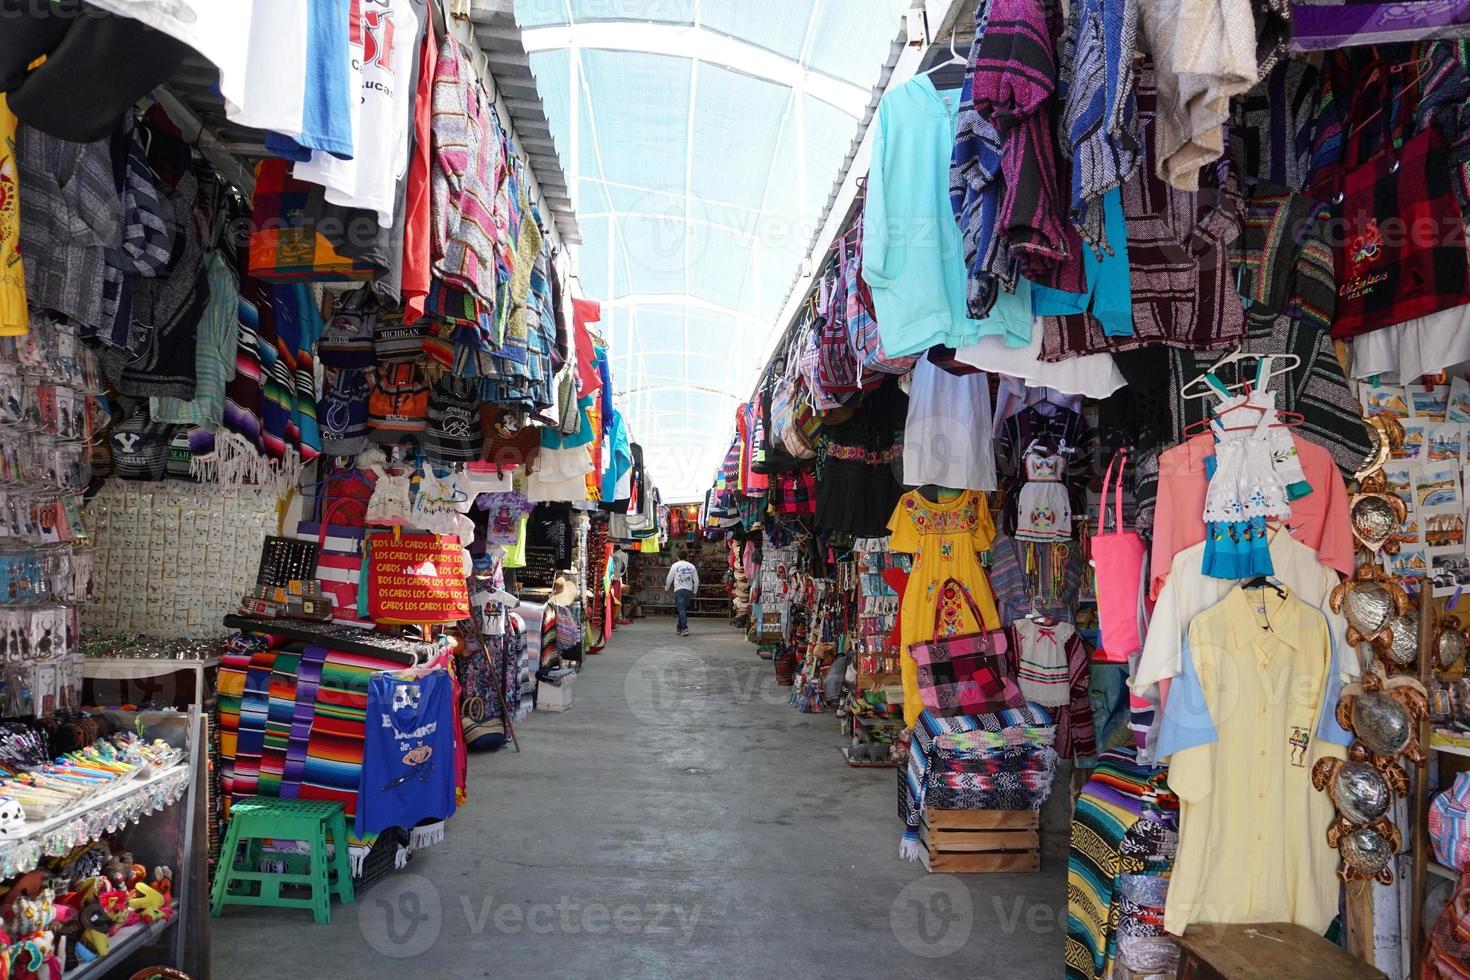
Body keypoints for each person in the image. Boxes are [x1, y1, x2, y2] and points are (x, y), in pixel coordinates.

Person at [665, 551, 699, 637]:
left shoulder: (675, 565)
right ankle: (679, 628)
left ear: (678, 557)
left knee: (681, 609)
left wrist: (667, 587)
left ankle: (684, 628)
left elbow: (669, 578)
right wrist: (695, 591)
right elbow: (697, 581)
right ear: (687, 557)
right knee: (683, 609)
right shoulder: (692, 566)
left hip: (679, 590)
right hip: (688, 591)